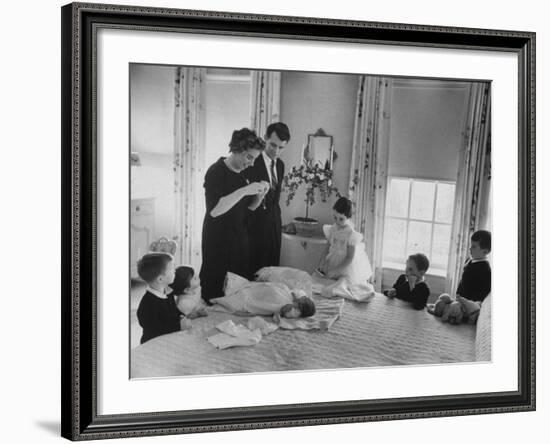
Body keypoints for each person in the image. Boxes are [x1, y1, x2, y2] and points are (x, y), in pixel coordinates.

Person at [199, 128, 269, 304]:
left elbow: (248, 209)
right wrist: (245, 190)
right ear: (237, 150)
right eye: (249, 157)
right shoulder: (216, 172)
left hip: (239, 239)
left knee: (236, 291)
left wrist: (260, 195)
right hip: (218, 240)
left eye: (254, 158)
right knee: (215, 291)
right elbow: (214, 210)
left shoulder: (244, 174)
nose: (252, 163)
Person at [244, 122, 291, 275]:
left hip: (274, 226)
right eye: (273, 145)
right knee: (254, 272)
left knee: (272, 272)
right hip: (254, 227)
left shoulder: (281, 165)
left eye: (281, 147)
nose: (276, 151)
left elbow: (274, 199)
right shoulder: (251, 162)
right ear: (265, 138)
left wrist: (278, 225)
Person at [317, 197, 373, 284]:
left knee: (341, 285)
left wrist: (337, 270)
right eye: (335, 217)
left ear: (348, 218)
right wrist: (322, 261)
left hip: (344, 266)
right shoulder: (332, 229)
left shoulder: (351, 234)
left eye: (341, 219)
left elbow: (349, 257)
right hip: (332, 261)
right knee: (327, 283)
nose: (337, 221)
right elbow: (327, 247)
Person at [211, 272, 316, 318]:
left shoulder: (293, 309)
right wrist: (295, 297)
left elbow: (286, 313)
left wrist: (289, 308)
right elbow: (298, 292)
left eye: (301, 304)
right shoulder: (295, 295)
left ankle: (228, 296)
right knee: (246, 287)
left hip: (267, 300)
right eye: (302, 300)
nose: (300, 302)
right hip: (265, 290)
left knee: (243, 298)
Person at [135, 252, 186, 344]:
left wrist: (183, 316)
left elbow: (173, 312)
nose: (175, 271)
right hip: (153, 343)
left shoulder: (168, 292)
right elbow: (157, 329)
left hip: (169, 338)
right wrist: (179, 326)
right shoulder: (148, 304)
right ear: (160, 279)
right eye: (172, 269)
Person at [456, 230, 492, 303]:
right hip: (460, 299)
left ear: (485, 251)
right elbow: (463, 282)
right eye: (471, 245)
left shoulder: (485, 270)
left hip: (470, 304)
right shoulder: (469, 260)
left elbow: (482, 293)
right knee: (443, 300)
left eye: (474, 246)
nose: (470, 248)